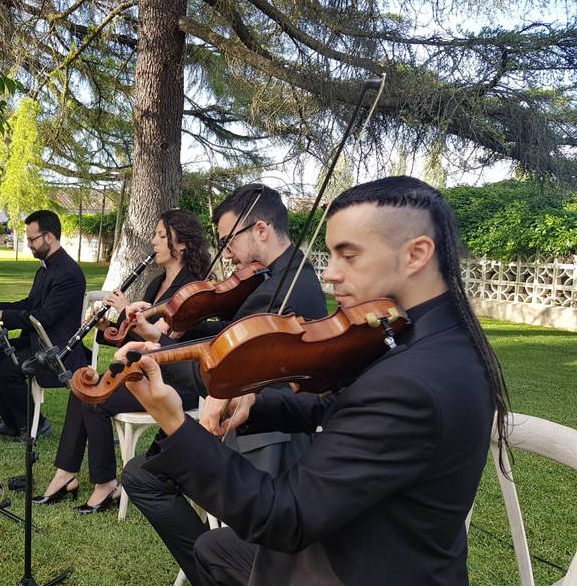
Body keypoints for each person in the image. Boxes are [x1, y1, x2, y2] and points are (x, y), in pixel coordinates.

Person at [118, 176, 510, 586]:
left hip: (355, 566)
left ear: (416, 254)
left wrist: (177, 424)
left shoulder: (414, 379)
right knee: (213, 548)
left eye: (349, 256)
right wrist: (253, 401)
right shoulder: (424, 335)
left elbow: (284, 518)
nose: (331, 275)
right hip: (361, 539)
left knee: (222, 546)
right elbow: (336, 407)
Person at [119, 184, 327, 582]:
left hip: (264, 436)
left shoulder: (281, 292)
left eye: (231, 239)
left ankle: (212, 573)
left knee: (144, 477)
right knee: (143, 474)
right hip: (250, 419)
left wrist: (158, 352)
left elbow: (219, 367)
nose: (226, 252)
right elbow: (226, 331)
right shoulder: (274, 277)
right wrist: (168, 333)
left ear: (261, 230)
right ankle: (214, 567)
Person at [35, 209, 210, 514]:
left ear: (181, 245)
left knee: (95, 398)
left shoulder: (191, 288)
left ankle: (106, 485)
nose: (153, 241)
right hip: (145, 372)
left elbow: (162, 340)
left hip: (176, 381)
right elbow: (131, 337)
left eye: (161, 235)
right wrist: (105, 328)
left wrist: (129, 309)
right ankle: (66, 475)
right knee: (82, 385)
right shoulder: (156, 284)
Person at [0, 210, 87, 438]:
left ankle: (35, 424)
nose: (29, 245)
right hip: (39, 340)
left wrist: (1, 314)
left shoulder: (68, 273)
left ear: (49, 237)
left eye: (32, 239)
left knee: (6, 371)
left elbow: (43, 317)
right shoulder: (45, 268)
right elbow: (30, 304)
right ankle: (8, 419)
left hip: (58, 348)